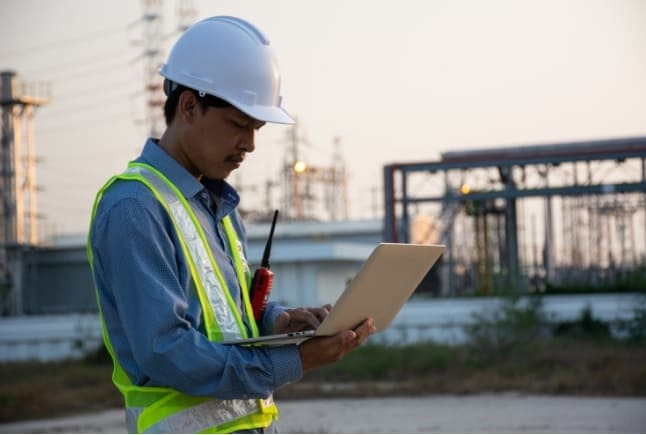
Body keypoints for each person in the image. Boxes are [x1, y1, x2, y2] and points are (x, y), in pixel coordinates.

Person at [86, 15, 376, 434]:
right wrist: (296, 360)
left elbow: (228, 318)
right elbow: (166, 349)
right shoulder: (134, 207)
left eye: (256, 128)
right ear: (189, 106)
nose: (250, 145)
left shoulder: (216, 206)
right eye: (239, 125)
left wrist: (279, 322)